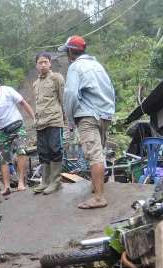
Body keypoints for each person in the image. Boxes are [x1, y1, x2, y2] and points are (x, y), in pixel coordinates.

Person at [59, 35, 115, 209]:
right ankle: (96, 187)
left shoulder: (76, 67)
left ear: (70, 52)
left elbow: (70, 95)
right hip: (105, 114)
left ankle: (99, 198)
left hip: (87, 115)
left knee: (94, 155)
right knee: (99, 152)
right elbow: (111, 90)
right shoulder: (97, 65)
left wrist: (69, 119)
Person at [32, 51, 66, 195]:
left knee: (55, 149)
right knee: (43, 152)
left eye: (46, 61)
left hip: (54, 120)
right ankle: (45, 181)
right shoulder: (35, 84)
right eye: (40, 62)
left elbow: (62, 98)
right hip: (40, 123)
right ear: (36, 65)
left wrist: (66, 119)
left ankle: (56, 182)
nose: (43, 64)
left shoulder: (56, 78)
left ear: (50, 63)